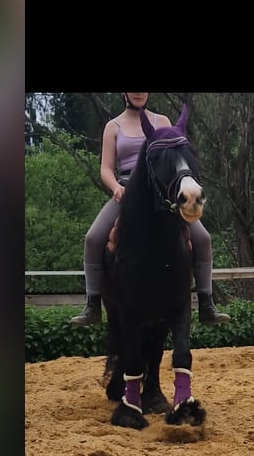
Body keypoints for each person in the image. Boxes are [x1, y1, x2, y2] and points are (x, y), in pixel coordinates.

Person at [70, 92, 230, 327]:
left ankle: (206, 304)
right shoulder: (112, 127)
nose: (139, 92)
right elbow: (105, 168)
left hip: (161, 193)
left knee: (203, 238)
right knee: (93, 238)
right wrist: (115, 187)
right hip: (127, 191)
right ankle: (93, 305)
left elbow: (176, 158)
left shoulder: (162, 122)